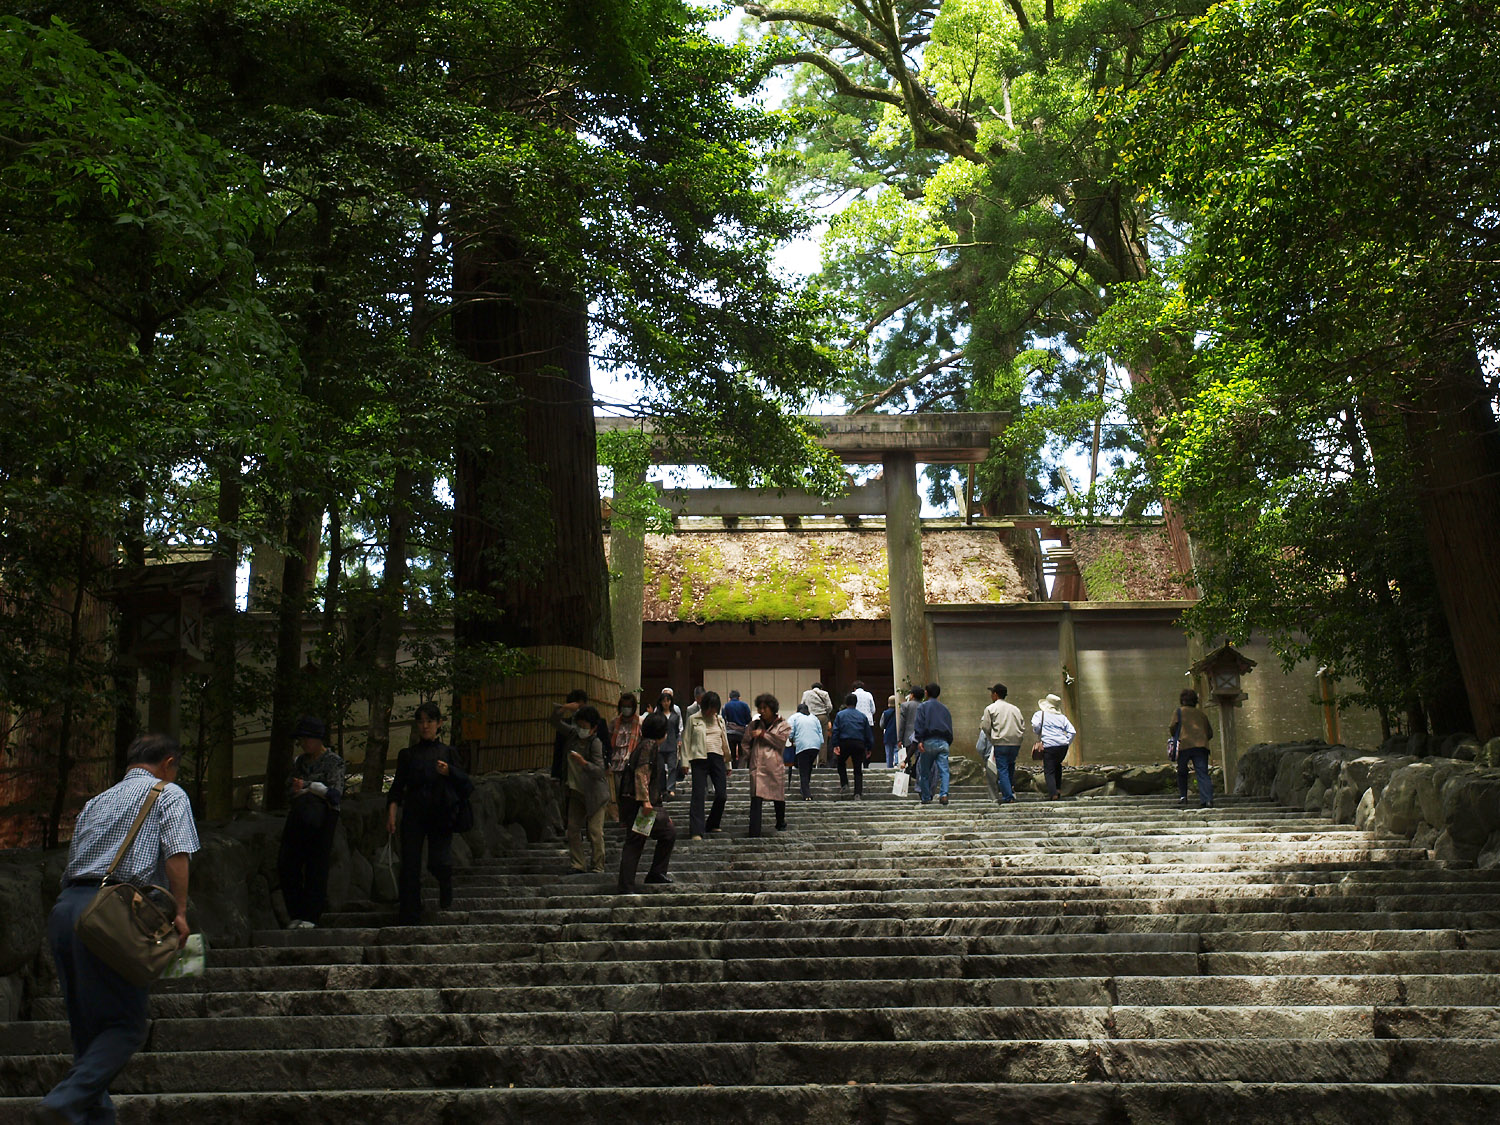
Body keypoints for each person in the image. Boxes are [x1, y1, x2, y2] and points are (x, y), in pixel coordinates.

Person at [38, 733, 200, 1124]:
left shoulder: (97, 801)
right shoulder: (168, 793)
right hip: (113, 913)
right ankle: (65, 1100)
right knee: (126, 1026)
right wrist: (179, 912)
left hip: (68, 909)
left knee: (88, 1032)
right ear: (168, 763)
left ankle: (93, 1116)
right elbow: (177, 854)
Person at [386, 702, 473, 924]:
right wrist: (392, 813)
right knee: (410, 864)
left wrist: (449, 771)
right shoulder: (408, 755)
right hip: (414, 813)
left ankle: (445, 885)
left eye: (430, 721)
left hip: (440, 812)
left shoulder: (448, 752)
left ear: (439, 724)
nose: (425, 726)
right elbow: (397, 787)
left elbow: (466, 784)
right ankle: (409, 913)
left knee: (439, 861)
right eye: (421, 722)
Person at [277, 715, 345, 928]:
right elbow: (288, 789)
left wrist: (310, 787)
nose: (304, 743)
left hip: (323, 816)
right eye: (302, 739)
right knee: (288, 862)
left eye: (307, 738)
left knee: (317, 864)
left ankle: (311, 915)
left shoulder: (334, 761)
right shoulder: (300, 762)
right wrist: (299, 789)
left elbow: (335, 794)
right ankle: (296, 913)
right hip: (299, 814)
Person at [617, 711, 677, 892]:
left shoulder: (645, 745)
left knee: (656, 835)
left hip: (641, 803)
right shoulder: (649, 746)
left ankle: (649, 875)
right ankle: (630, 883)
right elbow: (642, 773)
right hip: (641, 804)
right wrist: (646, 803)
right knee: (639, 840)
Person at [554, 701, 609, 873]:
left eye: (584, 727)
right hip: (576, 791)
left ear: (593, 728)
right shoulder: (572, 735)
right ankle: (578, 863)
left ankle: (598, 865)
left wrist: (583, 763)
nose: (581, 729)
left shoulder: (595, 743)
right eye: (579, 725)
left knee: (595, 831)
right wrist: (563, 709)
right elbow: (554, 722)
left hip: (595, 794)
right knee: (572, 829)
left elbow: (600, 771)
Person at [684, 690, 731, 838]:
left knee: (722, 794)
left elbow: (725, 742)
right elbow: (686, 741)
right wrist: (684, 762)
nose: (711, 711)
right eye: (709, 708)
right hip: (699, 758)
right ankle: (696, 830)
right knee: (698, 795)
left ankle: (712, 823)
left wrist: (728, 765)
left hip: (717, 757)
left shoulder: (720, 720)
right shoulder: (693, 719)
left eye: (714, 708)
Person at [744, 693, 790, 835]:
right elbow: (745, 742)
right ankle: (754, 830)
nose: (762, 711)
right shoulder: (754, 724)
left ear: (772, 708)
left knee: (778, 796)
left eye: (765, 708)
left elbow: (780, 741)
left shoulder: (783, 725)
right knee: (756, 798)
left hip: (774, 766)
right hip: (757, 766)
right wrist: (750, 756)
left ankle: (780, 822)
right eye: (760, 708)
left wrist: (763, 734)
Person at [980, 684, 1026, 805]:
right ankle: (1009, 790)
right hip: (1015, 743)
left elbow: (985, 726)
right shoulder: (1015, 709)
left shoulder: (990, 708)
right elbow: (1022, 725)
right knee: (1010, 767)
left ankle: (1008, 796)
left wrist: (991, 738)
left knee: (1002, 769)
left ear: (995, 694)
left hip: (1001, 742)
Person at [1172, 688, 1216, 809]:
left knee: (1182, 771)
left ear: (1182, 700)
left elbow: (1172, 727)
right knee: (1202, 773)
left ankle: (1183, 797)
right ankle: (1207, 799)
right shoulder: (1201, 714)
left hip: (1184, 745)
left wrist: (1178, 736)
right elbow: (1209, 733)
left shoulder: (1178, 712)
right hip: (1201, 746)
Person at [912, 681, 954, 806]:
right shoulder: (945, 709)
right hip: (943, 741)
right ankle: (944, 794)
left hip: (928, 741)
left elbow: (919, 724)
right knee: (944, 771)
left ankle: (926, 796)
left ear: (926, 692)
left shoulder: (923, 707)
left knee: (924, 771)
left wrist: (920, 740)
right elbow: (950, 727)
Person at [551, 687, 588, 822]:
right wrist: (564, 708)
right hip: (570, 771)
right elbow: (559, 749)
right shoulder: (570, 728)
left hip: (587, 771)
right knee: (571, 806)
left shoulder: (596, 724)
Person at [1031, 693, 1077, 801]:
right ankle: (1058, 789)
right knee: (1057, 766)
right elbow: (1072, 731)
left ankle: (1053, 794)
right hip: (1062, 746)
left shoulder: (1040, 714)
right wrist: (1066, 742)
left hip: (1049, 745)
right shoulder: (1062, 717)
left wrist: (1039, 731)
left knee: (1049, 770)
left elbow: (1036, 725)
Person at [607, 693, 642, 821]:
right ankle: (622, 819)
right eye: (624, 706)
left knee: (634, 794)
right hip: (617, 763)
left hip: (634, 764)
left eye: (629, 706)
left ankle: (633, 820)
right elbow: (608, 742)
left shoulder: (640, 723)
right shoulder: (614, 723)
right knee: (619, 793)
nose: (626, 709)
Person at [831, 692, 873, 798]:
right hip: (859, 743)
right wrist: (869, 747)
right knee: (858, 769)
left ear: (846, 703)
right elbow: (868, 733)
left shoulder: (840, 715)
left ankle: (844, 783)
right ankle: (857, 793)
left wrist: (835, 744)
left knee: (840, 763)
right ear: (856, 703)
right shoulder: (862, 716)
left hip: (844, 742)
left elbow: (836, 730)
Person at [788, 702, 824, 801]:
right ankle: (805, 788)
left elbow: (790, 731)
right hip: (815, 745)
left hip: (802, 745)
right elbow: (820, 731)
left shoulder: (794, 717)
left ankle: (806, 794)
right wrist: (820, 742)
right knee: (808, 768)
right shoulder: (814, 717)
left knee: (803, 770)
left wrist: (791, 738)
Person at [654, 688, 684, 799]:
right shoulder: (657, 715)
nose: (666, 703)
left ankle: (671, 788)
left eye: (668, 701)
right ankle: (662, 789)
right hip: (660, 745)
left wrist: (679, 739)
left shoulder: (675, 715)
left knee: (672, 767)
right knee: (661, 768)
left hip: (672, 744)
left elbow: (678, 730)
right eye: (664, 701)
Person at [799, 681, 835, 763]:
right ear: (821, 688)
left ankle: (812, 761)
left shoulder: (806, 693)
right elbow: (830, 706)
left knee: (811, 739)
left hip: (810, 717)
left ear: (812, 688)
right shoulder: (824, 693)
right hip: (822, 716)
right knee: (823, 739)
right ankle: (822, 761)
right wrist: (825, 712)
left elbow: (802, 705)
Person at [722, 688, 752, 767]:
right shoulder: (744, 705)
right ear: (739, 697)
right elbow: (749, 719)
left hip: (730, 733)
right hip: (741, 733)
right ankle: (740, 768)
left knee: (732, 753)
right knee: (742, 754)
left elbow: (722, 720)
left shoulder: (726, 706)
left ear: (729, 698)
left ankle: (733, 768)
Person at [897, 686, 924, 760]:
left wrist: (900, 739)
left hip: (908, 736)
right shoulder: (924, 706)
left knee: (908, 758)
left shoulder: (905, 705)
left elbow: (902, 723)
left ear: (912, 695)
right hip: (921, 737)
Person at [880, 695, 900, 768]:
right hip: (897, 734)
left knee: (889, 753)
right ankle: (897, 765)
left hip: (888, 735)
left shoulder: (885, 713)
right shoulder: (899, 712)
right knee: (897, 751)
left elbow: (881, 725)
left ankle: (889, 767)